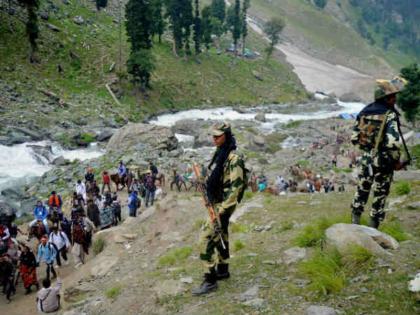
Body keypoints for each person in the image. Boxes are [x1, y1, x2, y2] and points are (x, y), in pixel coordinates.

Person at [192, 122, 246, 295]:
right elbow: (215, 174)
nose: (214, 139)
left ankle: (210, 280)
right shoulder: (219, 153)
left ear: (227, 135)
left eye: (218, 136)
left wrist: (222, 210)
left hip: (223, 204)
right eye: (213, 136)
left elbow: (236, 187)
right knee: (221, 233)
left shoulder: (234, 159)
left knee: (205, 238)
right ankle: (223, 270)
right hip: (216, 201)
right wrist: (204, 181)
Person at [350, 77, 408, 228]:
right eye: (392, 96)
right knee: (380, 193)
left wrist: (368, 150)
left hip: (366, 158)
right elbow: (392, 143)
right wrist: (396, 161)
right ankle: (373, 228)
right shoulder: (390, 115)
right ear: (386, 98)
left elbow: (354, 138)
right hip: (384, 160)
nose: (395, 99)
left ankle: (355, 222)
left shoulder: (364, 112)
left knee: (362, 188)